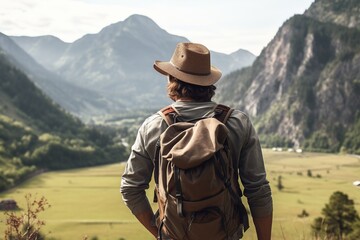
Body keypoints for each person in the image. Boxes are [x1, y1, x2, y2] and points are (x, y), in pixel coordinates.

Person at [120, 42, 273, 239]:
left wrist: (160, 234)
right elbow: (258, 189)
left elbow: (130, 188)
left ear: (172, 79)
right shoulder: (237, 123)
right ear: (208, 82)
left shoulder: (153, 126)